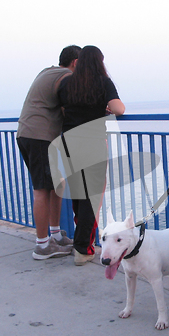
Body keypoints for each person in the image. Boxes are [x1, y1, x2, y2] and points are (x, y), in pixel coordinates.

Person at [57, 45, 125, 266]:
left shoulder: (67, 83)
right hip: (92, 145)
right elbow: (119, 109)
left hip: (68, 144)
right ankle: (83, 249)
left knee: (78, 195)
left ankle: (80, 242)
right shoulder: (102, 82)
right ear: (99, 62)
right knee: (91, 198)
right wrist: (103, 107)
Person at [17, 45, 81, 260]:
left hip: (31, 134)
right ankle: (42, 246)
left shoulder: (48, 72)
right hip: (39, 137)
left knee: (57, 184)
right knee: (42, 189)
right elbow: (71, 105)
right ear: (75, 63)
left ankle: (55, 235)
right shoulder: (65, 77)